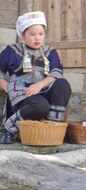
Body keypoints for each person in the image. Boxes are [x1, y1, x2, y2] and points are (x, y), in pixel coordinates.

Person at [0, 11, 71, 144]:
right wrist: (5, 85)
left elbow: (56, 72)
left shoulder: (50, 52)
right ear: (22, 35)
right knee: (40, 106)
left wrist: (39, 85)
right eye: (32, 34)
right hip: (24, 94)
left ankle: (53, 125)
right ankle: (8, 128)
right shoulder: (12, 50)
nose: (37, 38)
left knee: (62, 84)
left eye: (40, 34)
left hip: (43, 90)